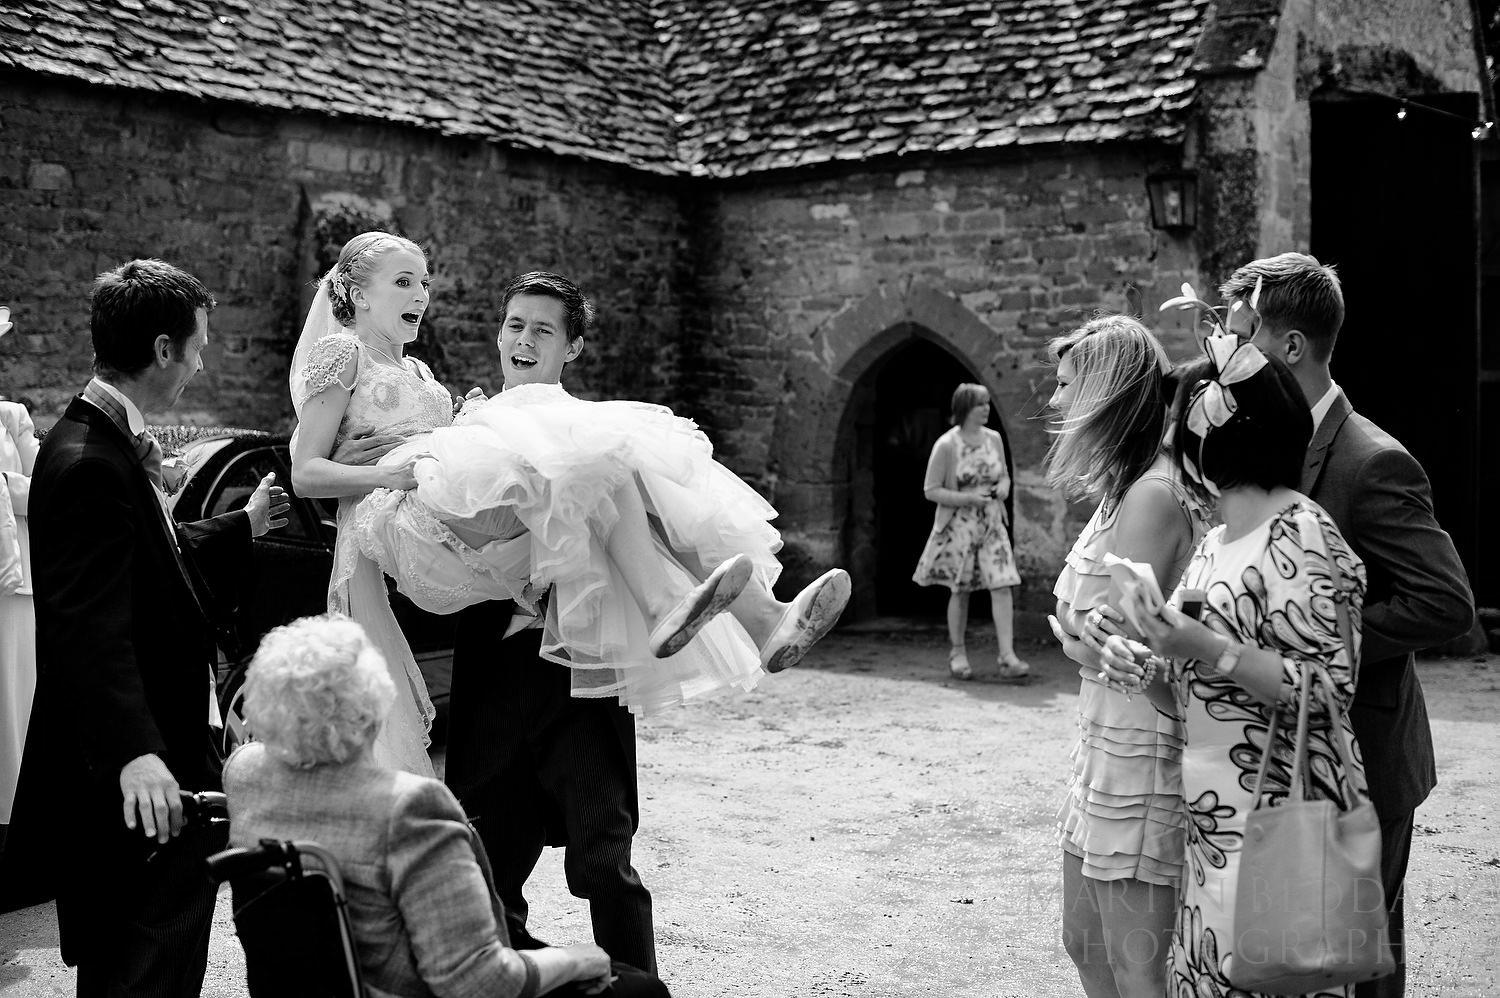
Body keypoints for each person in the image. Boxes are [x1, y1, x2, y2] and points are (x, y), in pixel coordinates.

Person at [288, 234, 850, 771]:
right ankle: (671, 609)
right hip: (402, 518)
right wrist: (390, 470)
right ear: (359, 293)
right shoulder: (342, 352)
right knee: (581, 446)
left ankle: (763, 618)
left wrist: (466, 419)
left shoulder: (417, 370)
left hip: (443, 496)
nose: (422, 296)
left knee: (609, 459)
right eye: (405, 282)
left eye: (425, 283)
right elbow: (306, 472)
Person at [26, 259, 289, 997]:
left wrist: (240, 524)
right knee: (149, 966)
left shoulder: (99, 441)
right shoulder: (89, 464)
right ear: (165, 349)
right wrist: (138, 757)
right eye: (200, 345)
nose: (203, 364)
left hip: (157, 752)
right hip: (143, 773)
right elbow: (91, 630)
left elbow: (151, 565)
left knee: (136, 963)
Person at [1218, 252, 1474, 998]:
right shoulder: (1264, 442)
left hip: (1363, 748)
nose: (1230, 354)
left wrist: (1318, 637)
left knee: (1361, 959)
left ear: (1290, 347)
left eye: (1244, 336)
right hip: (1286, 750)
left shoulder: (1373, 462)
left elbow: (1445, 601)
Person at [1100, 334, 1371, 998]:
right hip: (1211, 836)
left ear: (1214, 432)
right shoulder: (1214, 542)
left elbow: (1328, 691)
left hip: (1281, 832)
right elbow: (1190, 696)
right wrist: (1145, 660)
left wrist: (1200, 645)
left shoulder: (1302, 532)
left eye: (1179, 423)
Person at [224, 614, 670, 998]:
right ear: (373, 710)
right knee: (640, 989)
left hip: (310, 981)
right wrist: (576, 960)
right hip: (402, 986)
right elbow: (478, 984)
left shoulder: (244, 773)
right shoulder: (411, 807)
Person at [1042, 316, 1208, 998]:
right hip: (1102, 745)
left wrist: (1076, 635)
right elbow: (1081, 626)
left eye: (1063, 386)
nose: (1053, 403)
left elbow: (1119, 641)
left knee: (1136, 965)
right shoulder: (1120, 486)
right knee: (1082, 940)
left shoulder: (1151, 494)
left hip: (1144, 753)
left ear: (1102, 394)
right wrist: (1079, 634)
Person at [912, 382, 1028, 681]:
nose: (987, 409)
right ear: (965, 408)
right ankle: (958, 652)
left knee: (1002, 585)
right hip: (960, 525)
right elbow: (930, 490)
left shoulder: (994, 439)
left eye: (988, 403)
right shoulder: (947, 444)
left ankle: (1007, 655)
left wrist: (1003, 488)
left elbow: (1003, 474)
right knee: (960, 589)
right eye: (981, 404)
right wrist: (967, 499)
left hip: (991, 522)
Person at [0, 307, 38, 864]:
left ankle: (18, 831)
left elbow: (50, 487)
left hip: (18, 577)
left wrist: (7, 484)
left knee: (18, 697)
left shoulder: (11, 417)